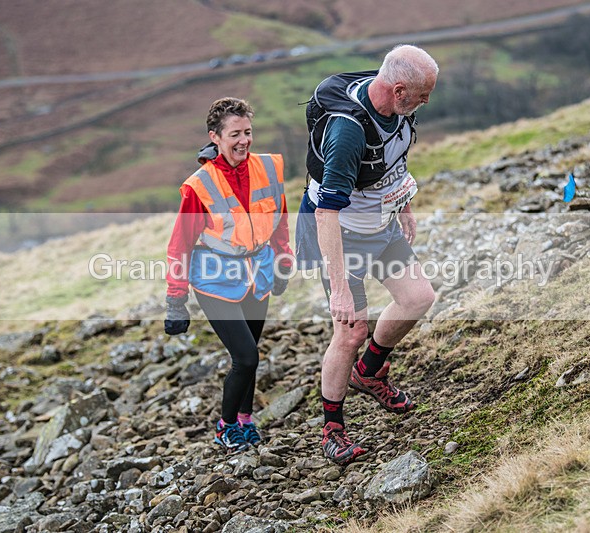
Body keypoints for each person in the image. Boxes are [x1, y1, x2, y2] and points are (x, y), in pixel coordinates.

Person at [296, 45, 438, 464]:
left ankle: (369, 372)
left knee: (418, 298)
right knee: (351, 331)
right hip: (342, 236)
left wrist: (403, 204)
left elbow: (395, 158)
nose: (425, 103)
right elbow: (325, 211)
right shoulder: (347, 133)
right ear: (398, 89)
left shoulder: (397, 108)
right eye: (422, 95)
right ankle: (332, 429)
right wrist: (339, 287)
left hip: (380, 224)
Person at [164, 97, 293, 454]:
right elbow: (180, 244)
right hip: (215, 279)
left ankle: (245, 421)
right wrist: (176, 299)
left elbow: (280, 219)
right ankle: (226, 426)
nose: (244, 140)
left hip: (260, 273)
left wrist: (284, 259)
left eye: (248, 132)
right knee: (246, 357)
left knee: (251, 352)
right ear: (215, 138)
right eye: (234, 134)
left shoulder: (268, 169)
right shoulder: (199, 186)